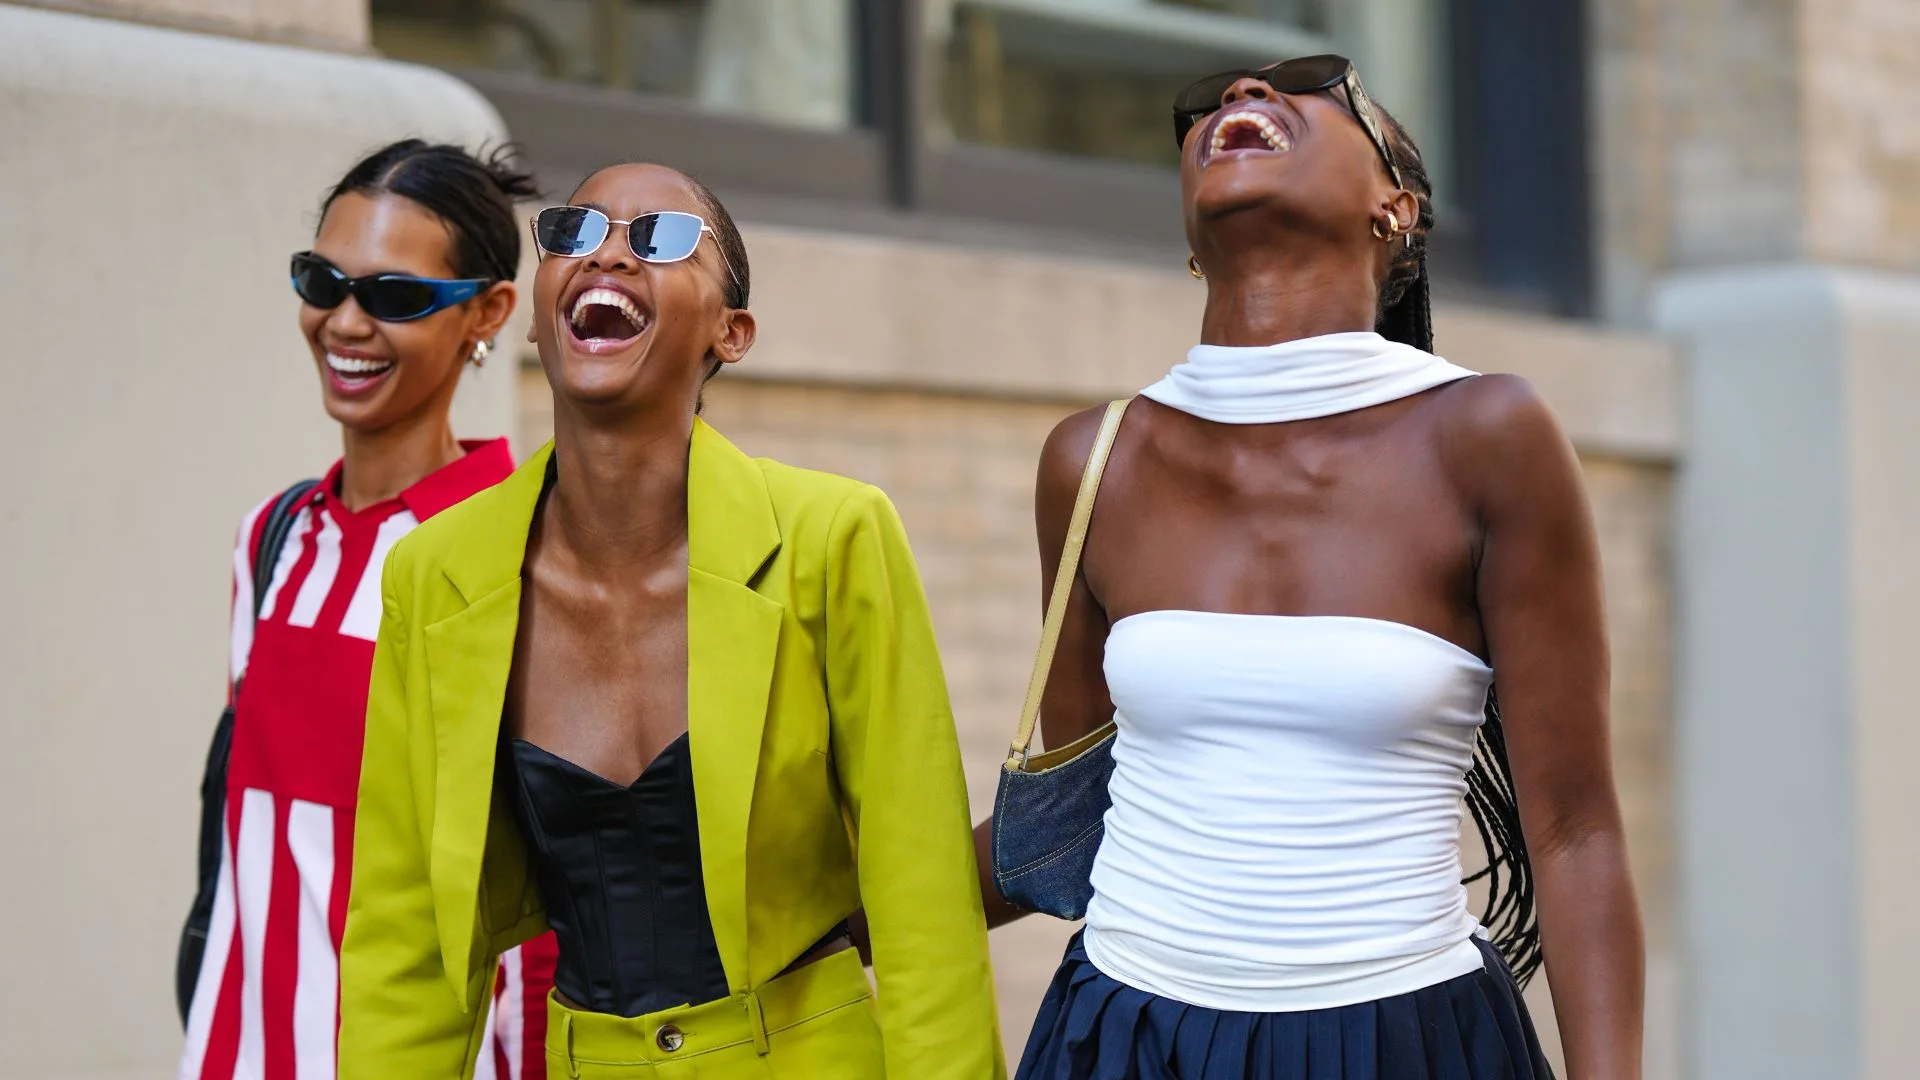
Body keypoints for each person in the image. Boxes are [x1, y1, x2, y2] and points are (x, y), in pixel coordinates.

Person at [978, 56, 1645, 1079]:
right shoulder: (1094, 459)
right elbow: (1069, 825)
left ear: (1396, 207)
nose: (1241, 94)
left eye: (1307, 87)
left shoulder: (1487, 434)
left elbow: (1576, 832)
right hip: (1124, 1037)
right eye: (1211, 103)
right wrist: (806, 915)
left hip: (1404, 1038)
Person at [337, 162, 1004, 1079]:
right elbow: (403, 936)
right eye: (573, 231)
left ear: (731, 333)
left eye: (661, 239)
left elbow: (924, 902)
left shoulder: (832, 538)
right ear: (537, 313)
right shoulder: (438, 575)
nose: (607, 252)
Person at [177, 139, 559, 1080]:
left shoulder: (521, 553)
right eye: (323, 281)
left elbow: (549, 889)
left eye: (393, 297)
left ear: (488, 312)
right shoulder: (270, 539)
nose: (345, 322)